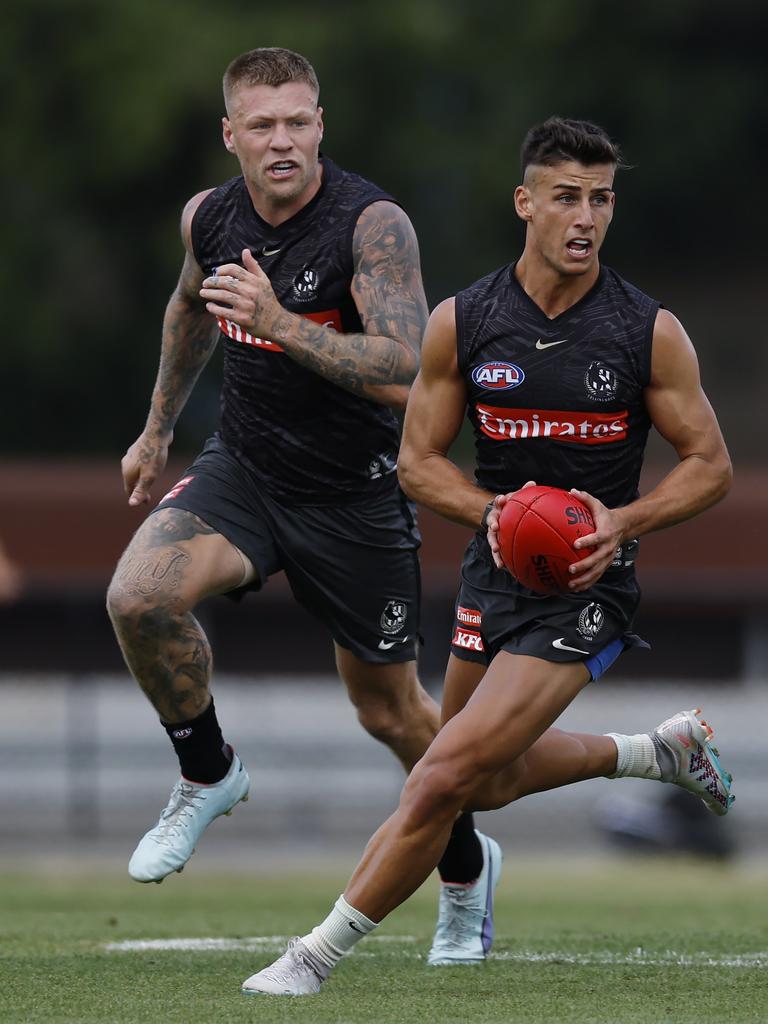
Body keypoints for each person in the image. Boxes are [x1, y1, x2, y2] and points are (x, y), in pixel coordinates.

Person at [243, 116, 735, 996]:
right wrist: (494, 514)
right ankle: (654, 754)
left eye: (601, 199)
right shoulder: (463, 323)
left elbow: (712, 466)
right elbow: (417, 465)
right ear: (526, 203)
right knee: (485, 779)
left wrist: (623, 524)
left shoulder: (646, 330)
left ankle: (313, 956)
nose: (585, 217)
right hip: (494, 574)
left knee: (439, 776)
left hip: (588, 590)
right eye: (566, 198)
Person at [106, 47, 497, 965]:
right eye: (263, 124)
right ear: (231, 134)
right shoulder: (210, 216)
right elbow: (188, 311)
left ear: (320, 126)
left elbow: (405, 363)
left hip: (355, 499)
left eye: (298, 122)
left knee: (394, 716)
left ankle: (468, 872)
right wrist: (157, 430)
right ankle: (207, 771)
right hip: (244, 470)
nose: (282, 140)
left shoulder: (370, 226)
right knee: (137, 596)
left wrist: (279, 321)